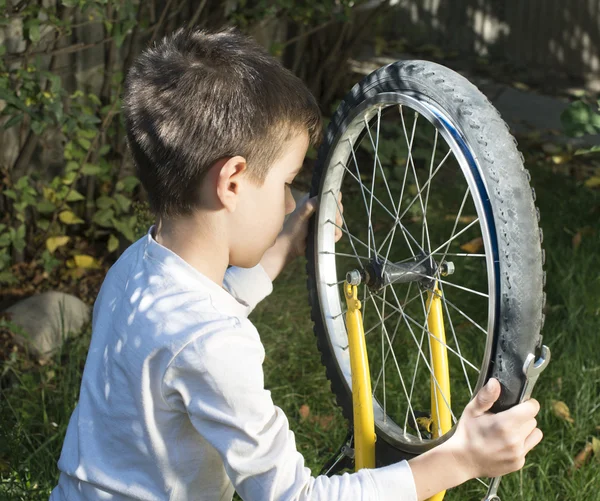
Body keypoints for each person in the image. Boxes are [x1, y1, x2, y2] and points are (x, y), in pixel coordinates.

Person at [49, 27, 542, 501]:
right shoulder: (213, 345)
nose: (289, 203)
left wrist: (281, 249)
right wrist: (460, 459)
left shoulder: (137, 268)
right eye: (286, 182)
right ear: (233, 181)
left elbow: (197, 319)